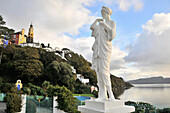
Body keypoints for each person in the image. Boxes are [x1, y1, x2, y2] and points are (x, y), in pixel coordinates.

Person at [90, 6, 116, 101]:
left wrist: (104, 25)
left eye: (103, 13)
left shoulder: (111, 23)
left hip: (105, 50)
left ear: (107, 13)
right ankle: (102, 96)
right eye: (101, 13)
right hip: (98, 50)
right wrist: (97, 20)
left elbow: (112, 35)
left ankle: (111, 95)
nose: (102, 15)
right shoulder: (100, 25)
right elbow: (92, 27)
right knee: (99, 73)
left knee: (105, 73)